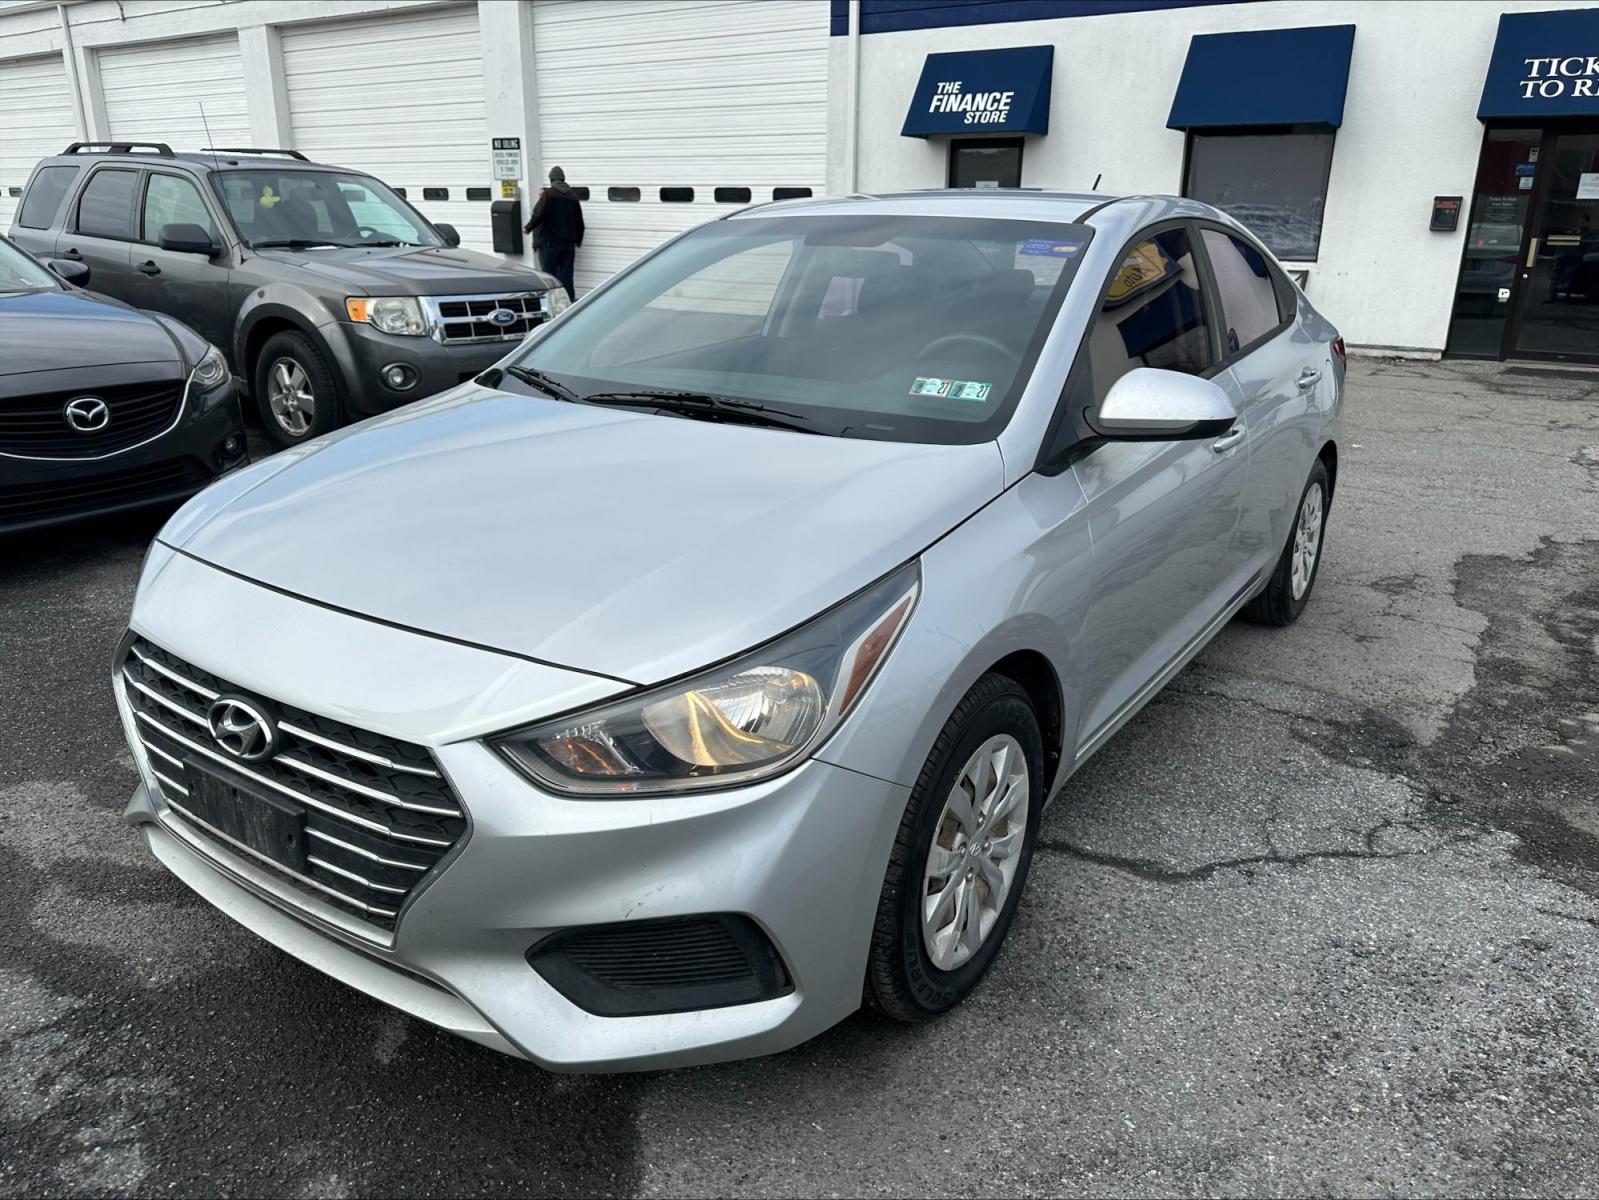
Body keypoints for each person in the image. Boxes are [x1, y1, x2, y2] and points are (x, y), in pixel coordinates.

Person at [524, 165, 584, 299]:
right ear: (563, 179)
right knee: (567, 274)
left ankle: (553, 301)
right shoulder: (573, 196)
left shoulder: (548, 194)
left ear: (551, 179)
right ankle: (568, 301)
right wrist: (578, 240)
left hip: (550, 243)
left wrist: (528, 227)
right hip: (568, 244)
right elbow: (579, 221)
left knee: (549, 276)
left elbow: (538, 214)